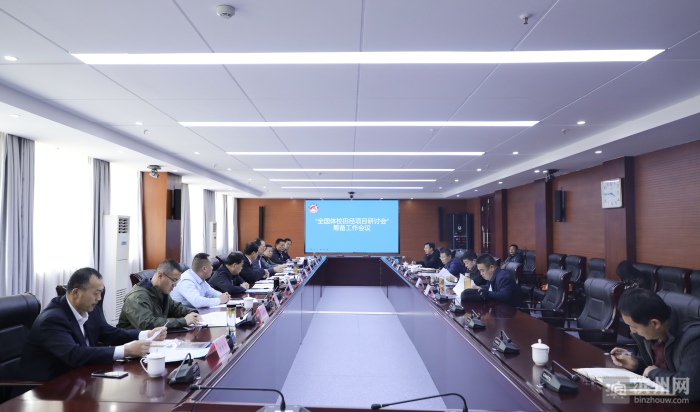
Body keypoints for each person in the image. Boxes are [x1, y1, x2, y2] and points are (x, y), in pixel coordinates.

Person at [19, 267, 165, 381]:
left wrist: (147, 334)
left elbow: (110, 334)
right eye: (96, 293)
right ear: (76, 293)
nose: (99, 298)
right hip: (47, 389)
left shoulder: (89, 310)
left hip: (80, 378)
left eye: (101, 293)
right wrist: (125, 350)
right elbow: (74, 354)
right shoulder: (52, 320)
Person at [611, 288, 700, 401]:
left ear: (655, 323)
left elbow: (690, 387)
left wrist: (653, 373)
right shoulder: (652, 333)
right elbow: (659, 367)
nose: (632, 331)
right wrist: (637, 364)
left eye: (634, 326)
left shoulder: (694, 339)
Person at [118, 259, 200, 330]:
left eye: (177, 281)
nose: (175, 285)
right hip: (133, 341)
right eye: (174, 280)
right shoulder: (137, 297)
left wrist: (192, 313)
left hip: (154, 338)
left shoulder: (161, 291)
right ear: (160, 275)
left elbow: (176, 308)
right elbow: (148, 324)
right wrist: (183, 321)